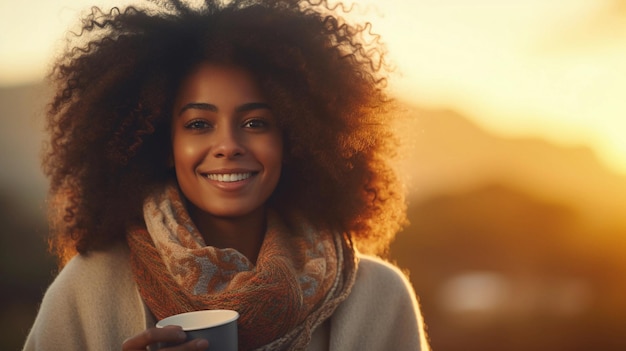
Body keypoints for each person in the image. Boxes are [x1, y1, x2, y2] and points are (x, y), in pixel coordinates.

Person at [23, 0, 430, 350]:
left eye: (255, 123)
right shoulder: (86, 290)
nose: (228, 145)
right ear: (164, 145)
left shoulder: (379, 297)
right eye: (199, 124)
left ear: (295, 139)